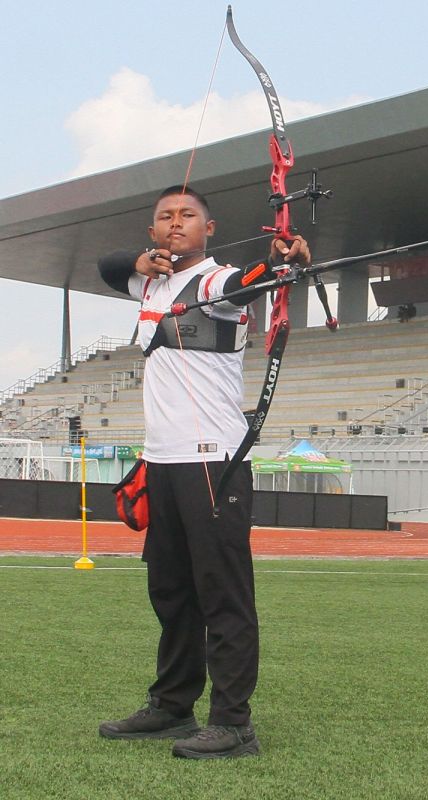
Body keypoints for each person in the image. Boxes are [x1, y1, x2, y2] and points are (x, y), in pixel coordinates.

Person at [95, 186, 311, 759]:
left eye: (188, 215)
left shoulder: (215, 281)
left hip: (213, 460)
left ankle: (234, 723)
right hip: (163, 462)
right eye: (165, 216)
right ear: (152, 230)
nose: (175, 223)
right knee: (171, 592)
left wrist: (283, 260)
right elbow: (106, 266)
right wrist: (140, 263)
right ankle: (171, 706)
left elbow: (250, 281)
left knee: (223, 596)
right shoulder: (148, 281)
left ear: (208, 228)